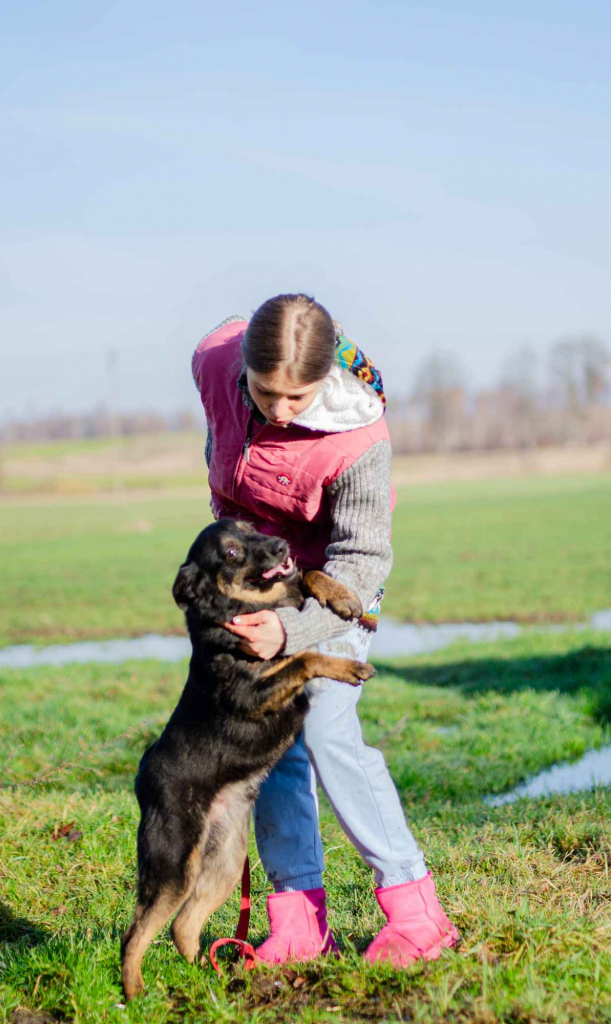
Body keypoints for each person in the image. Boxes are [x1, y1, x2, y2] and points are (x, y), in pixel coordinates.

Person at [191, 294, 459, 966]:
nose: (278, 410)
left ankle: (417, 913)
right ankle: (300, 925)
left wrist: (295, 630)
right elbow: (225, 463)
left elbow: (363, 562)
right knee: (272, 740)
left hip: (336, 584)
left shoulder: (359, 439)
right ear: (241, 370)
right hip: (262, 579)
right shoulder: (212, 365)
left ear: (325, 381)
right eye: (264, 391)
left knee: (324, 727)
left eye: (297, 395)